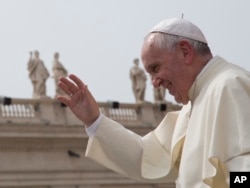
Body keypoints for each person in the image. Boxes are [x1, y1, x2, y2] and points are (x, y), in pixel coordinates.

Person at [56, 17, 250, 188]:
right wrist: (94, 120)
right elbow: (147, 157)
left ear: (185, 51)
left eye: (156, 68)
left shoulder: (230, 85)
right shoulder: (191, 106)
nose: (155, 83)